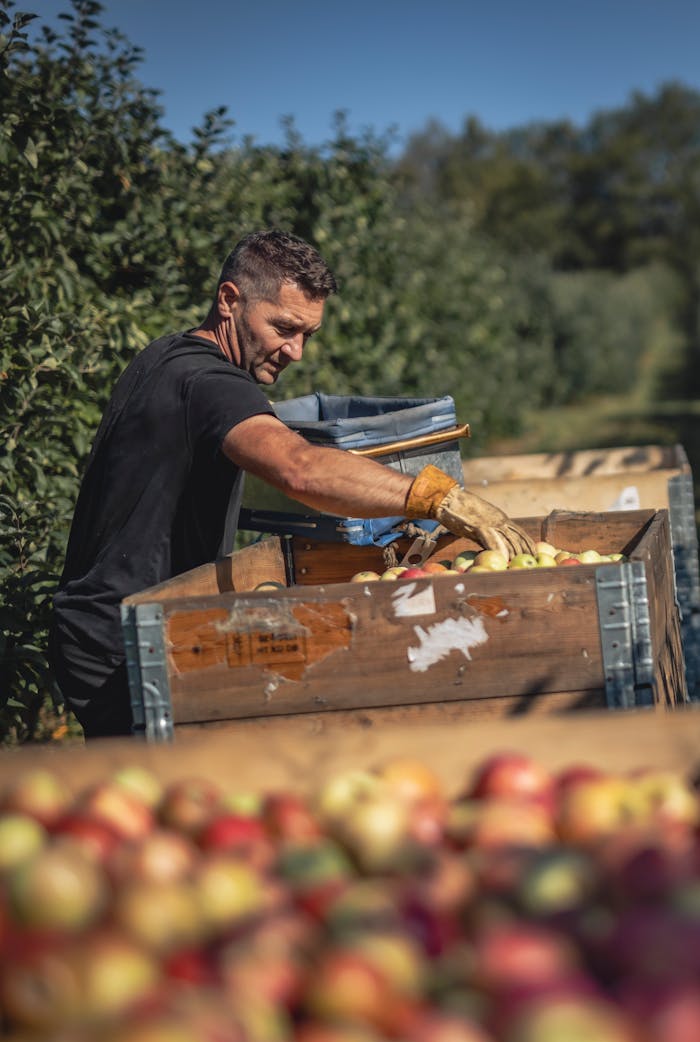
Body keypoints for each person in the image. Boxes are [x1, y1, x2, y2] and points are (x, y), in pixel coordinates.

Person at [50, 228, 535, 739]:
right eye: (284, 327)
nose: (296, 351)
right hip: (121, 642)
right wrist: (437, 498)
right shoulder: (211, 383)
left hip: (108, 626)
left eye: (308, 334)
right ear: (229, 300)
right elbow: (298, 467)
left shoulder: (169, 356)